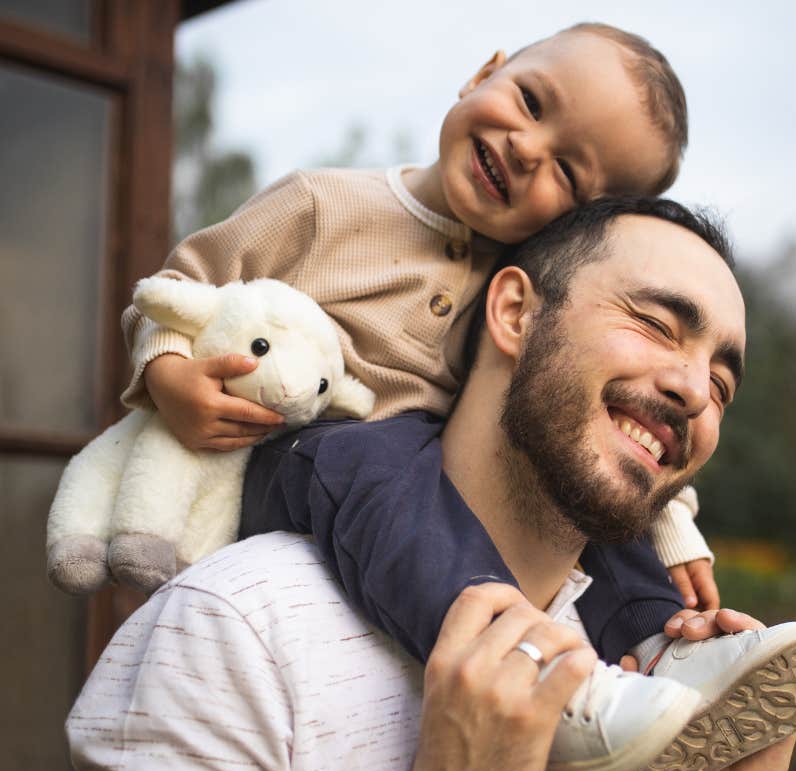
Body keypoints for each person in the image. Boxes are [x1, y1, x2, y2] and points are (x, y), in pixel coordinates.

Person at [35, 199, 796, 771]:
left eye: (721, 383)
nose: (694, 390)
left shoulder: (645, 677)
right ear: (513, 312)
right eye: (655, 325)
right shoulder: (242, 624)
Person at [120, 24, 720, 706]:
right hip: (283, 458)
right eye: (529, 101)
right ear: (482, 73)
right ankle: (509, 667)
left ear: (576, 227)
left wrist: (668, 524)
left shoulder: (526, 288)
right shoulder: (322, 205)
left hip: (417, 488)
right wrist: (170, 375)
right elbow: (176, 292)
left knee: (576, 475)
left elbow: (594, 412)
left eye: (567, 172)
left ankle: (667, 651)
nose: (527, 149)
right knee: (379, 461)